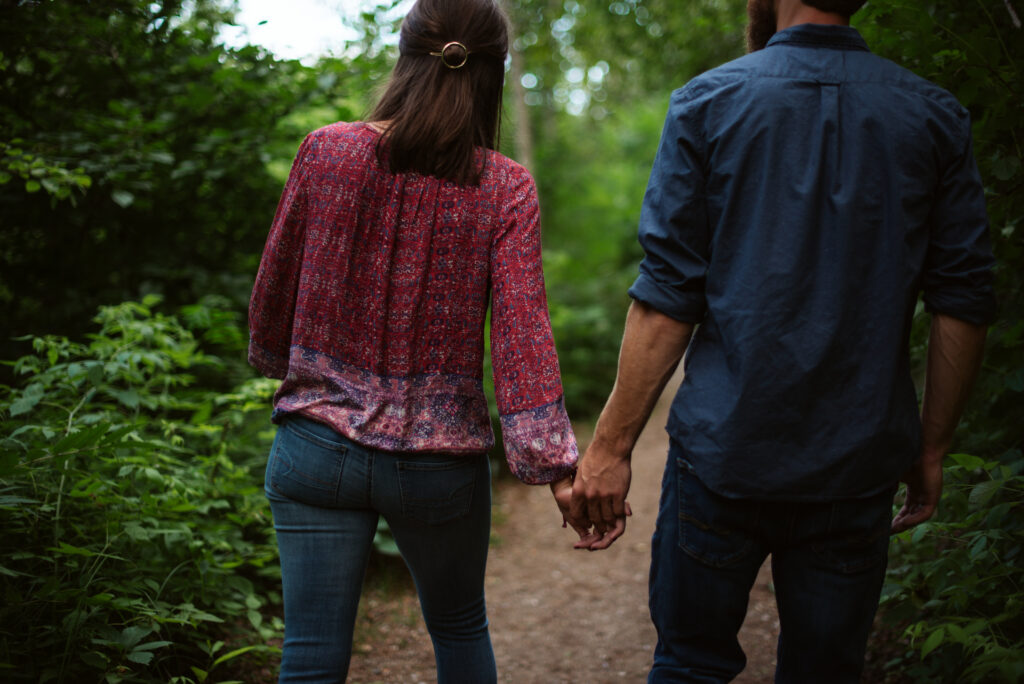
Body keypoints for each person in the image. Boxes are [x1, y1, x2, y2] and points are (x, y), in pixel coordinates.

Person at [568, 0, 997, 682]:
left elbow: (667, 299)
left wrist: (610, 449)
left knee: (688, 666)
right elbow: (963, 303)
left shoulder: (710, 102)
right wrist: (931, 445)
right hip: (855, 464)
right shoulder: (933, 116)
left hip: (721, 454)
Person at [247, 1, 580, 681]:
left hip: (313, 445)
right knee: (459, 632)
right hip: (438, 463)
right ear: (492, 74)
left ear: (405, 57)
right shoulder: (505, 188)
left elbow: (273, 290)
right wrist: (555, 469)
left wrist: (285, 362)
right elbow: (522, 340)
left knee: (308, 655)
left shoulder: (325, 151)